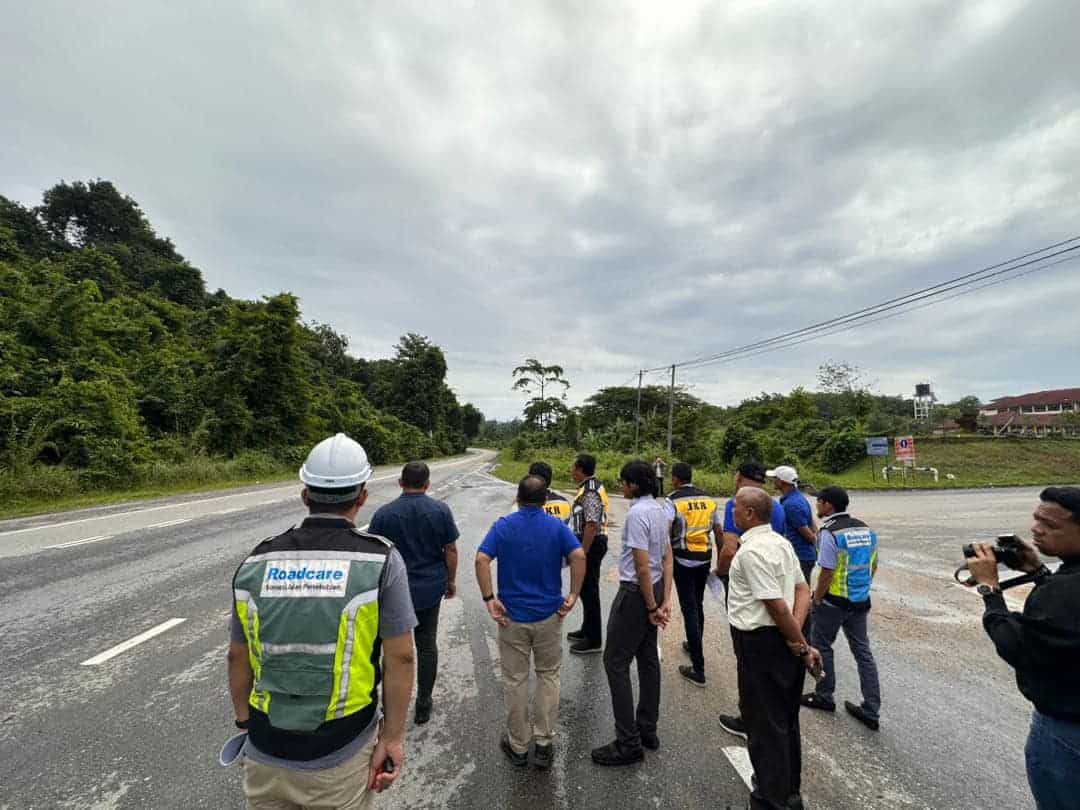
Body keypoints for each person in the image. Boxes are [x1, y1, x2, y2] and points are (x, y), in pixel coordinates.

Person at [227, 433, 416, 810]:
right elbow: (402, 658)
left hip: (265, 749)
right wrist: (392, 738)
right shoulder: (380, 561)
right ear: (362, 497)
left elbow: (237, 656)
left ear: (305, 495)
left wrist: (245, 722)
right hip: (341, 752)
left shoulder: (257, 561)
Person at [967, 486, 1080, 810]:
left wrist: (990, 590)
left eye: (1050, 525)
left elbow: (1015, 645)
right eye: (1036, 519)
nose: (1036, 529)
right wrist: (1037, 571)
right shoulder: (1066, 582)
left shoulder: (1063, 594)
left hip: (1066, 731)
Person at [720, 487, 822, 810]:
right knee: (785, 717)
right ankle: (788, 791)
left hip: (761, 645)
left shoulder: (750, 553)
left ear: (750, 513)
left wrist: (798, 643)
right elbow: (802, 591)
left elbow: (776, 606)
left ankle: (768, 799)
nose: (732, 512)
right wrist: (796, 635)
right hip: (783, 638)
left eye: (736, 507)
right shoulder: (781, 543)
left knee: (764, 725)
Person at [475, 475, 586, 769]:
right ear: (545, 499)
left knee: (515, 680)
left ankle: (519, 745)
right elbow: (578, 555)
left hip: (511, 617)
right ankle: (544, 743)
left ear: (518, 497)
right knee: (548, 676)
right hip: (549, 616)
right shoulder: (556, 527)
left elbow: (481, 559)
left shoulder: (503, 526)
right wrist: (573, 594)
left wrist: (489, 598)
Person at [592, 459, 674, 766]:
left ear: (634, 485)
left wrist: (652, 606)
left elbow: (641, 566)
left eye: (624, 481)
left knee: (615, 662)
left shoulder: (638, 514)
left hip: (636, 594)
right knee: (648, 658)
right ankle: (647, 728)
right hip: (655, 588)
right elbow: (666, 559)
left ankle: (628, 742)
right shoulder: (660, 510)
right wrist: (665, 600)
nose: (622, 486)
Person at [368, 461, 459, 726]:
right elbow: (451, 549)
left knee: (389, 648)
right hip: (429, 589)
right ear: (427, 484)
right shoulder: (440, 510)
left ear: (400, 482)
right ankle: (423, 703)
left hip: (391, 592)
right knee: (426, 645)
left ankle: (386, 704)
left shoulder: (384, 514)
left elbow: (374, 555)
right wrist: (450, 580)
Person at [715, 462, 787, 741]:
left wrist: (721, 572)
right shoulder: (774, 506)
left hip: (747, 586)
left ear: (739, 478)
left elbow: (729, 549)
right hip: (773, 583)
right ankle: (768, 714)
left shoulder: (737, 504)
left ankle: (748, 721)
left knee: (746, 656)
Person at [799, 487, 881, 731]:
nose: (817, 506)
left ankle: (824, 695)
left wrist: (817, 599)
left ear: (828, 505)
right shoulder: (865, 529)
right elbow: (873, 564)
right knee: (863, 652)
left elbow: (827, 570)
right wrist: (861, 589)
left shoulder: (830, 533)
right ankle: (871, 709)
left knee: (822, 646)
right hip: (860, 600)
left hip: (833, 602)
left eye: (819, 502)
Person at [663, 461, 722, 686]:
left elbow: (666, 530)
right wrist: (721, 561)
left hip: (682, 560)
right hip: (704, 559)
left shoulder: (673, 500)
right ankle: (692, 643)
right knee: (698, 604)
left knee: (689, 609)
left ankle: (698, 669)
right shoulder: (708, 499)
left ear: (676, 479)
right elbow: (718, 531)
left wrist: (663, 559)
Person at [567, 454, 610, 655]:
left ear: (581, 469)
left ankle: (593, 640)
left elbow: (591, 524)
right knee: (585, 589)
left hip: (592, 544)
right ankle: (587, 630)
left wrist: (583, 552)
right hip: (589, 544)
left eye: (573, 468)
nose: (571, 471)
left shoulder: (590, 491)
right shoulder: (587, 487)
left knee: (589, 590)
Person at [767, 465, 817, 585]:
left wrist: (816, 543)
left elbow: (808, 534)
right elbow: (812, 524)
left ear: (781, 481)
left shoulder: (791, 504)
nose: (773, 481)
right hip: (803, 556)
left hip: (800, 558)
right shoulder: (799, 498)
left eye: (775, 478)